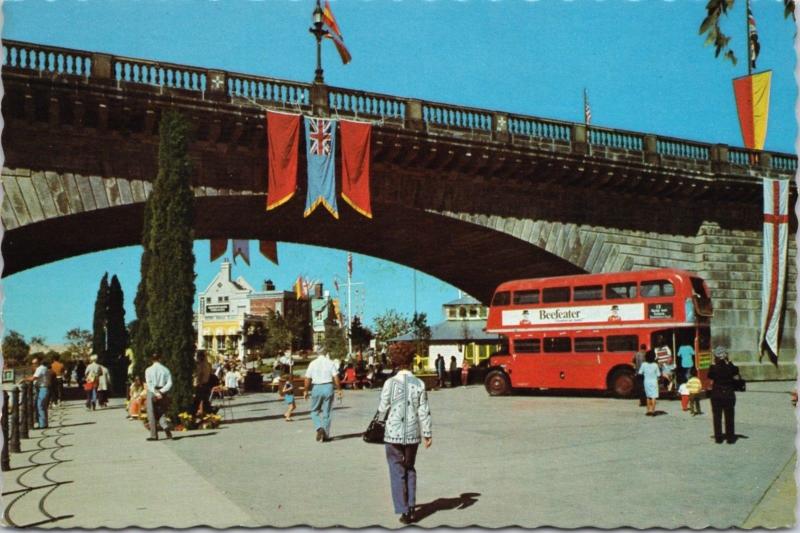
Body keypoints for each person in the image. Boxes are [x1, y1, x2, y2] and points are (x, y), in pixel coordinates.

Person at [376, 343, 433, 525]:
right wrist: (427, 433)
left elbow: (382, 408)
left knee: (396, 469)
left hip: (393, 432)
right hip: (412, 434)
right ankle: (411, 507)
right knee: (410, 467)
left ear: (395, 361)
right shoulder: (420, 383)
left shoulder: (390, 383)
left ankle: (403, 509)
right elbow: (424, 410)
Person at [303, 353, 343, 442]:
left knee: (314, 411)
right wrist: (339, 389)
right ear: (326, 354)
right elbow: (335, 377)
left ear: (317, 354)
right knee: (327, 412)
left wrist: (306, 390)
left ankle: (319, 427)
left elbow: (307, 378)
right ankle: (326, 435)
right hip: (328, 386)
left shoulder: (312, 363)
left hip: (316, 387)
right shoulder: (330, 362)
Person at [707, 346, 741, 444]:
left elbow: (709, 375)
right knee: (729, 416)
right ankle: (730, 438)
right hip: (729, 393)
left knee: (717, 417)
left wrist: (713, 364)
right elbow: (736, 371)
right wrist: (729, 361)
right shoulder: (730, 367)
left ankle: (718, 438)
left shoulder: (714, 368)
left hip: (716, 394)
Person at [144, 353, 173, 441]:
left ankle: (154, 435)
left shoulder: (148, 370)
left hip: (152, 391)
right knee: (161, 411)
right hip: (162, 390)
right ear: (160, 359)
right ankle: (165, 426)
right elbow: (170, 383)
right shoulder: (165, 370)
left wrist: (156, 392)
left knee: (151, 413)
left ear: (152, 359)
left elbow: (149, 383)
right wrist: (162, 391)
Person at [21, 358, 52, 429]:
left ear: (38, 363)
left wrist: (24, 379)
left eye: (35, 363)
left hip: (43, 388)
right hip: (45, 388)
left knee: (40, 406)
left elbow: (34, 378)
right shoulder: (45, 368)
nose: (33, 365)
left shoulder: (40, 369)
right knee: (43, 406)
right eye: (33, 363)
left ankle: (42, 425)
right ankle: (43, 423)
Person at [638, 350, 661, 416]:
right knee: (653, 397)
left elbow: (640, 373)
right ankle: (653, 411)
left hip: (646, 382)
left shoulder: (644, 364)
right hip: (654, 382)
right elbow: (658, 375)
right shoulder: (655, 365)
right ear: (654, 357)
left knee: (648, 397)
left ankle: (648, 410)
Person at [193, 350, 212, 415]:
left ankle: (198, 414)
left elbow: (200, 374)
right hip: (206, 383)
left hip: (201, 384)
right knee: (204, 401)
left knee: (197, 401)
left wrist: (198, 383)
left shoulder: (201, 364)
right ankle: (207, 414)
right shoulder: (208, 364)